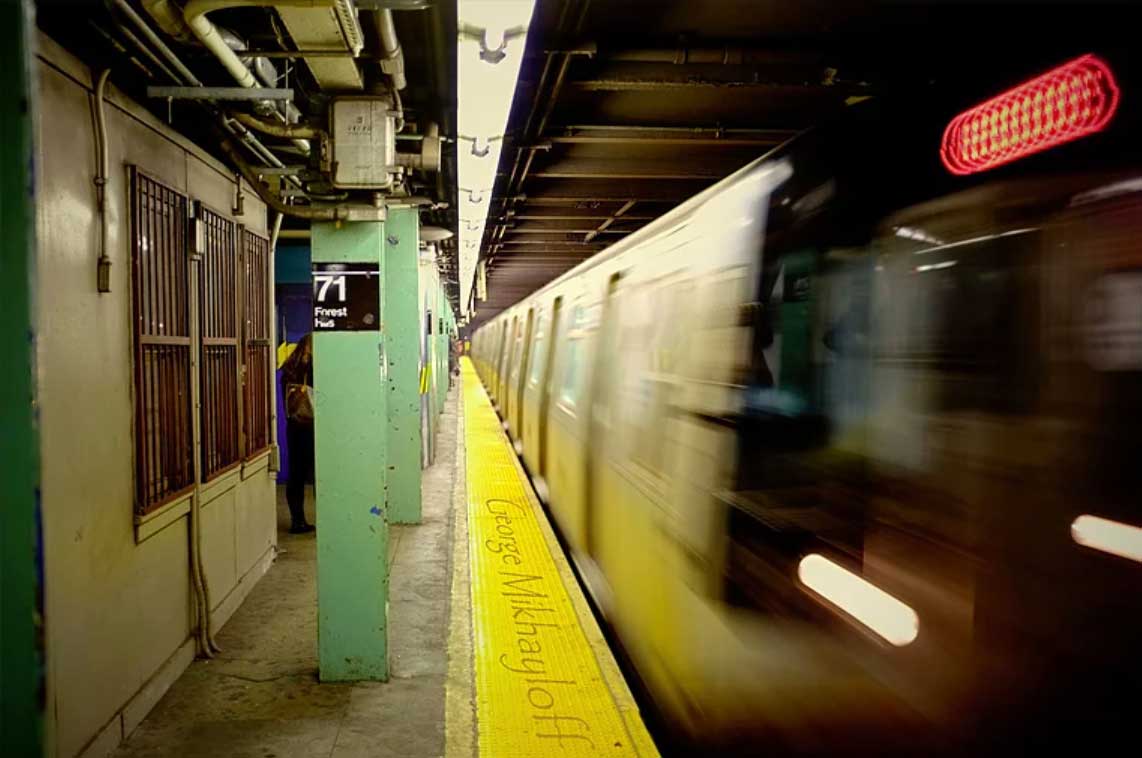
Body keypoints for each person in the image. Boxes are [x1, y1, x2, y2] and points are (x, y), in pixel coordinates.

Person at [281, 333, 316, 534]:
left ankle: (297, 519)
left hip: (293, 426)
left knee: (296, 475)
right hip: (310, 426)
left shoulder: (289, 367)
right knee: (315, 473)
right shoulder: (311, 368)